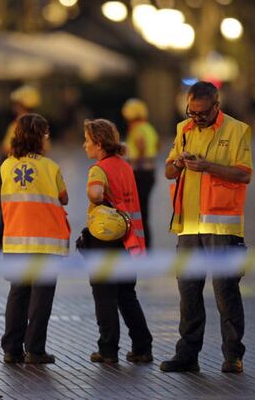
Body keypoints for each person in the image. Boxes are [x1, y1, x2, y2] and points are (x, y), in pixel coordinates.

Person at [160, 81, 252, 374]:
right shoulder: (183, 129)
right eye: (191, 112)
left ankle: (233, 355)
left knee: (225, 291)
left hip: (223, 228)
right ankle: (187, 355)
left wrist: (208, 167)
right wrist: (181, 164)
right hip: (188, 225)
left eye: (201, 113)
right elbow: (168, 170)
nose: (196, 118)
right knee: (188, 292)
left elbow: (243, 175)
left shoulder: (238, 130)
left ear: (216, 105)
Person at [80, 119, 153, 364]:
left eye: (88, 141)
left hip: (106, 241)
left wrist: (94, 195)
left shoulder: (98, 169)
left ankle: (108, 350)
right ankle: (143, 347)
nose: (84, 145)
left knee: (104, 296)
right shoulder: (124, 166)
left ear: (99, 144)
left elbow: (97, 193)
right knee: (126, 295)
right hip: (128, 241)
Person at [0, 113, 69, 365]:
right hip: (45, 243)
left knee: (17, 293)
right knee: (41, 298)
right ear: (40, 137)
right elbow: (64, 197)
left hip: (15, 240)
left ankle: (11, 349)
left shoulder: (6, 166)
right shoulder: (50, 167)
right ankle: (35, 350)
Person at [0, 85, 41, 252]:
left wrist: (1, 181)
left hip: (13, 173)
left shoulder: (17, 125)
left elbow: (5, 152)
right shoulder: (39, 126)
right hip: (31, 175)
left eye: (17, 103)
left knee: (8, 208)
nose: (14, 107)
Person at [122, 98, 159, 249]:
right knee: (144, 212)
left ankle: (142, 245)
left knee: (138, 213)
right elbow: (157, 145)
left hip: (139, 174)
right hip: (150, 173)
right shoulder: (149, 127)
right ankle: (146, 244)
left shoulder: (136, 129)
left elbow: (141, 146)